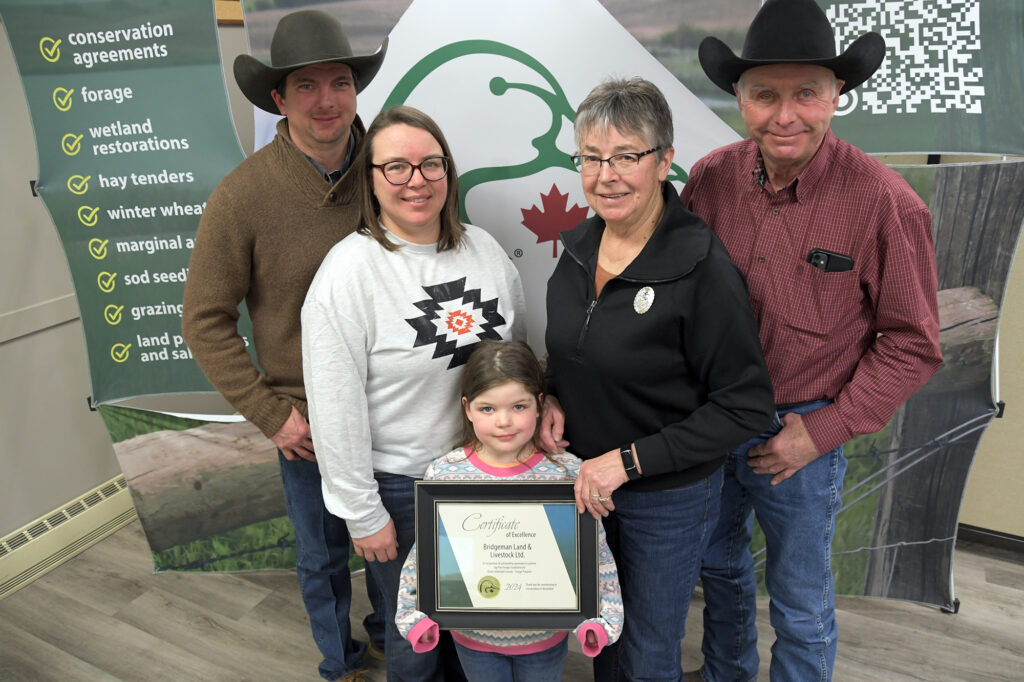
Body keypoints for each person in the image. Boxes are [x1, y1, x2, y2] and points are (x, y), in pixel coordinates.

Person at [679, 1, 943, 680]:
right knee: (720, 570)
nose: (784, 115)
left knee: (799, 597)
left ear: (837, 96)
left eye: (806, 94)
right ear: (739, 97)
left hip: (802, 432)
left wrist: (819, 432)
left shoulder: (885, 203)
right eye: (765, 94)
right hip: (711, 421)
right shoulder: (710, 179)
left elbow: (911, 342)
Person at [541, 77, 775, 681]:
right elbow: (574, 351)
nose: (606, 175)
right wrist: (548, 394)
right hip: (586, 488)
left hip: (664, 498)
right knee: (603, 639)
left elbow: (744, 407)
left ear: (665, 159)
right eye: (591, 158)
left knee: (647, 656)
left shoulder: (702, 266)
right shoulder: (574, 249)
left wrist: (628, 461)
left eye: (626, 156)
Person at [181, 10, 388, 681]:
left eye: (339, 83)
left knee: (398, 544)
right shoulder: (242, 198)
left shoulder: (396, 171)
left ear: (356, 90)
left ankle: (395, 636)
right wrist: (274, 414)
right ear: (278, 98)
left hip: (395, 404)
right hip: (308, 418)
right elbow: (204, 319)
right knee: (323, 553)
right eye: (306, 86)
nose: (326, 100)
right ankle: (342, 661)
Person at [301, 105, 527, 682]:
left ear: (448, 173)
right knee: (419, 640)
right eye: (396, 167)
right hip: (403, 488)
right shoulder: (349, 273)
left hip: (488, 478)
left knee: (484, 629)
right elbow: (335, 408)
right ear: (370, 178)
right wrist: (361, 510)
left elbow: (519, 361)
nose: (416, 181)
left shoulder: (485, 252)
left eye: (430, 164)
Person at [394, 340, 624, 681]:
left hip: (545, 638)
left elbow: (596, 553)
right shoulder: (445, 474)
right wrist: (412, 615)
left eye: (518, 406)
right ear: (467, 408)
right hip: (473, 639)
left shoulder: (567, 473)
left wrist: (604, 618)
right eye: (488, 409)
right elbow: (426, 555)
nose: (503, 421)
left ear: (540, 405)